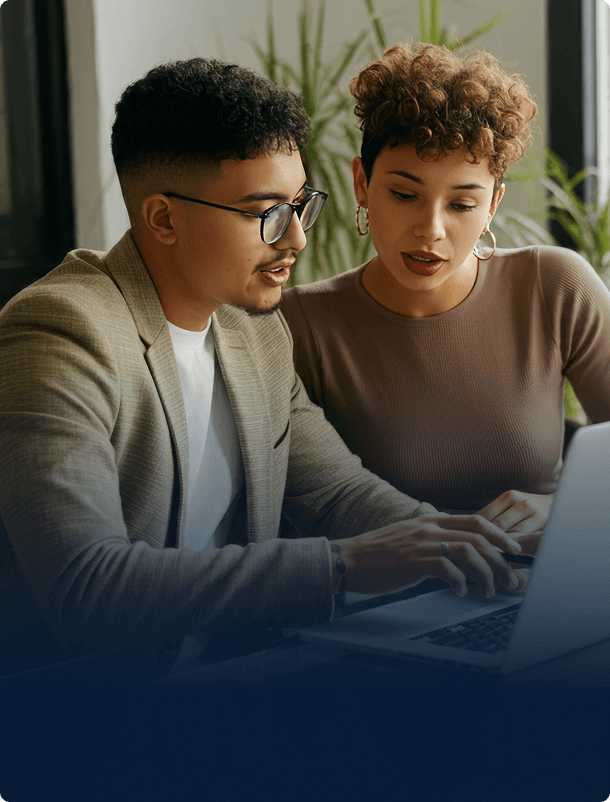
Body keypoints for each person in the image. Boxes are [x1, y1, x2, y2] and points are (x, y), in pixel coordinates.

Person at [0, 57, 525, 674]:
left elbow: (337, 490)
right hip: (100, 713)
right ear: (163, 218)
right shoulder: (60, 331)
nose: (296, 239)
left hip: (240, 675)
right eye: (264, 213)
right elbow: (87, 589)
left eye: (300, 204)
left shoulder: (251, 329)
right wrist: (348, 565)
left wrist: (481, 549)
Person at [282, 43, 610, 557]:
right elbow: (307, 503)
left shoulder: (554, 285)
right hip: (390, 607)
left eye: (462, 203)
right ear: (362, 185)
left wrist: (566, 508)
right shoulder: (303, 324)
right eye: (405, 195)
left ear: (493, 204)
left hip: (542, 586)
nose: (430, 230)